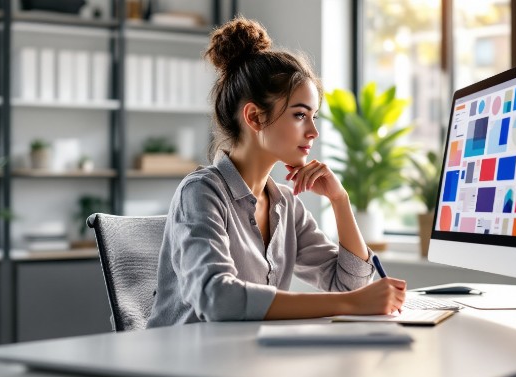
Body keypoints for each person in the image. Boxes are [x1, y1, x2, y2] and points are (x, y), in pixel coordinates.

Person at [146, 17, 406, 327]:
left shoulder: (285, 204)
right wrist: (349, 303)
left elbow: (350, 286)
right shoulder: (201, 192)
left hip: (246, 359)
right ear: (255, 117)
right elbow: (217, 298)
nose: (313, 132)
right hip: (184, 366)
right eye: (299, 115)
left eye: (314, 118)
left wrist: (340, 199)